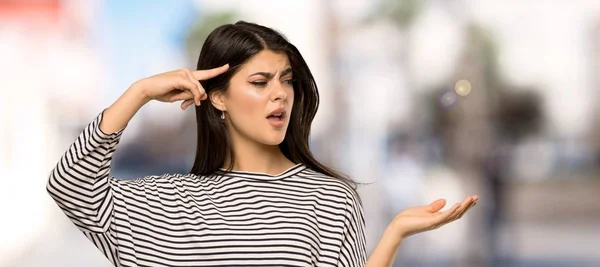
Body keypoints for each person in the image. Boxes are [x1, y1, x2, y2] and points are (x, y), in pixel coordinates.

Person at [47, 21, 478, 267]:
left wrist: (393, 235)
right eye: (259, 82)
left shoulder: (329, 199)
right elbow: (69, 186)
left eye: (286, 81)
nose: (281, 94)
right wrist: (138, 93)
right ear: (216, 97)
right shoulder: (161, 202)